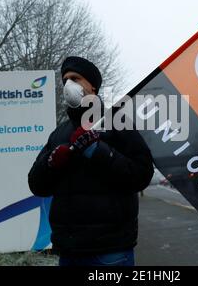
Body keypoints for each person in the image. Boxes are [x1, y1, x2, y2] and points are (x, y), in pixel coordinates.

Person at [28, 56, 154, 266]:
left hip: (110, 251)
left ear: (92, 86)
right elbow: (36, 185)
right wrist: (50, 163)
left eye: (75, 78)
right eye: (65, 80)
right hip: (68, 251)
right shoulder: (59, 134)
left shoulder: (117, 122)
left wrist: (98, 151)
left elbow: (142, 174)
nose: (69, 85)